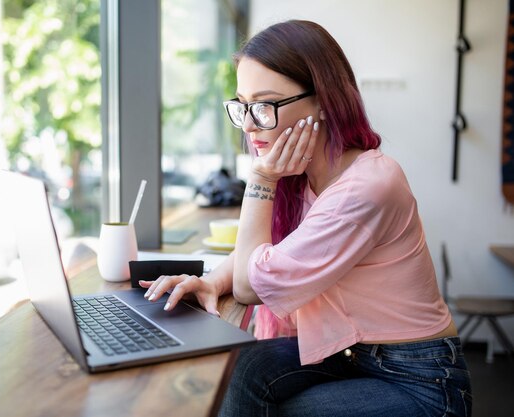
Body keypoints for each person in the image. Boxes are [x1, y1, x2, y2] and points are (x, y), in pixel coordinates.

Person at [140, 20, 472, 416]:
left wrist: (261, 178)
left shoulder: (365, 187)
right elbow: (270, 257)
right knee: (241, 368)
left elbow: (249, 288)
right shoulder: (308, 176)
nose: (248, 124)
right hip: (353, 353)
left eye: (264, 105)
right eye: (243, 105)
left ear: (324, 102)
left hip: (421, 381)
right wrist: (211, 281)